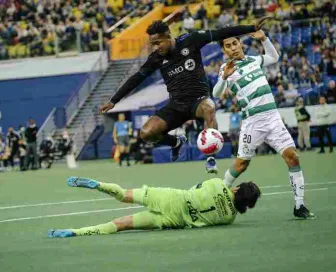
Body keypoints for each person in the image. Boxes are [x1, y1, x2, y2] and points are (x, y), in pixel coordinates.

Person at [99, 17, 271, 174]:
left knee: (209, 108)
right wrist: (114, 100)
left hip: (199, 100)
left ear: (168, 36)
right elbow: (136, 79)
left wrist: (250, 27)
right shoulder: (156, 58)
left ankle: (210, 159)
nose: (156, 47)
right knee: (146, 133)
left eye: (158, 42)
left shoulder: (191, 40)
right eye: (153, 44)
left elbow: (222, 33)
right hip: (176, 105)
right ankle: (175, 142)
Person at [212, 30, 315, 219]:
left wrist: (264, 38)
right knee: (241, 165)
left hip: (273, 118)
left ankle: (299, 206)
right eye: (228, 46)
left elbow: (274, 57)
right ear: (224, 50)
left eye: (235, 43)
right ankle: (216, 193)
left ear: (240, 44)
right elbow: (217, 94)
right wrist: (223, 77)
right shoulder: (227, 68)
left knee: (293, 157)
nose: (233, 48)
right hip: (253, 123)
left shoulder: (254, 60)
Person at [48, 176, 261, 238]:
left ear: (236, 189)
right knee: (121, 224)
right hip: (174, 221)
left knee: (124, 195)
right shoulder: (229, 218)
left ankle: (99, 185)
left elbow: (195, 186)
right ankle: (74, 233)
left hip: (171, 198)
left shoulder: (217, 184)